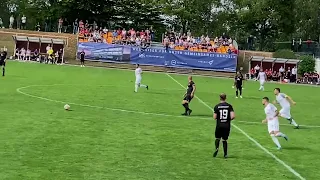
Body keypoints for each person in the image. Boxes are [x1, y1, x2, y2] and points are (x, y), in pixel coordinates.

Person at [213, 93, 235, 158]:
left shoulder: (217, 106)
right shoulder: (229, 106)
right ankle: (225, 154)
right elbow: (233, 116)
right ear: (225, 98)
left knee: (217, 138)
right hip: (226, 125)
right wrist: (228, 119)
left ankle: (216, 148)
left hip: (219, 125)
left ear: (220, 98)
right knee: (224, 140)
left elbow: (214, 117)